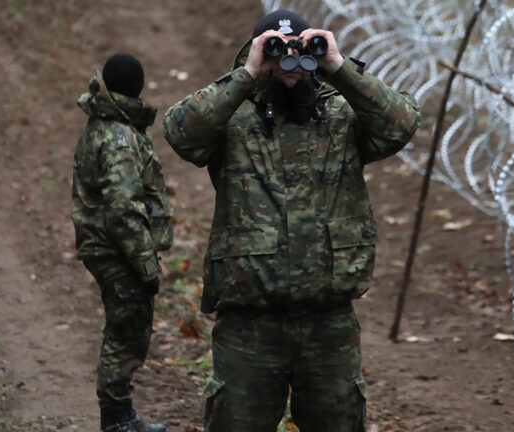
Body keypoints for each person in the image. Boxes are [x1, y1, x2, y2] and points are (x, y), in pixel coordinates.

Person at [163, 8, 421, 432]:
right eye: (277, 54)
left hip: (328, 322)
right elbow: (180, 132)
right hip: (250, 325)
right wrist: (247, 73)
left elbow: (402, 125)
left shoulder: (341, 115)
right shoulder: (233, 118)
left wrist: (337, 67)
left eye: (300, 55)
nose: (291, 69)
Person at [71, 53, 173, 432]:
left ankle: (121, 415)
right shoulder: (119, 138)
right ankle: (116, 421)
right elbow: (122, 209)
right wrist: (145, 264)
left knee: (126, 329)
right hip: (116, 250)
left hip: (108, 246)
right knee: (125, 333)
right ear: (135, 88)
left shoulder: (105, 124)